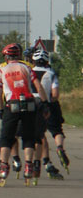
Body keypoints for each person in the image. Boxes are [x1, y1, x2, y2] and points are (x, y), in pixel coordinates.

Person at [0, 43, 50, 185]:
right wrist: (45, 104)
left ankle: (4, 167)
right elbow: (38, 86)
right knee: (28, 136)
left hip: (12, 105)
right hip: (29, 103)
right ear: (18, 55)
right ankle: (28, 166)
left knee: (6, 137)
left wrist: (0, 109)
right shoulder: (27, 67)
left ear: (6, 56)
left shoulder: (2, 70)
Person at [32, 48, 69, 177]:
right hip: (49, 105)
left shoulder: (29, 73)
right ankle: (59, 147)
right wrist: (50, 101)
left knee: (40, 135)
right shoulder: (51, 73)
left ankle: (45, 161)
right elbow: (55, 94)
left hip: (34, 106)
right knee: (57, 130)